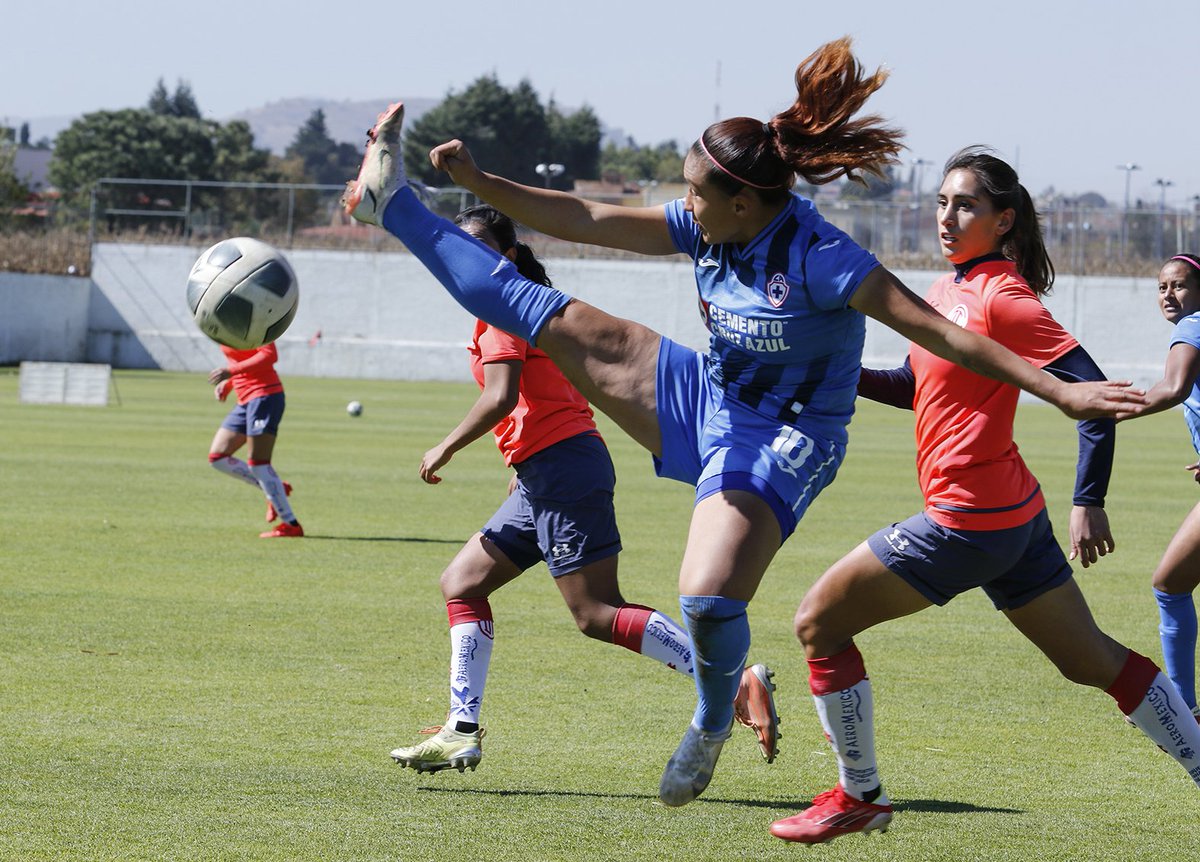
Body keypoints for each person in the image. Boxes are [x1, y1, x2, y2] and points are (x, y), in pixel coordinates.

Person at [341, 38, 1141, 807]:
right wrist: (482, 181)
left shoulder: (824, 257)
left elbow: (944, 335)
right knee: (531, 307)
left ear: (743, 202)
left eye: (696, 193)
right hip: (705, 394)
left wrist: (1061, 393)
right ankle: (395, 204)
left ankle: (712, 716)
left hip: (788, 436)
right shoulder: (707, 221)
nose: (684, 205)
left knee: (705, 598)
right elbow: (584, 214)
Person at [766, 148, 1200, 845]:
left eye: (965, 204)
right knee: (1092, 661)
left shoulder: (1004, 297)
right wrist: (832, 376)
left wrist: (1089, 499)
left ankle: (860, 795)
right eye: (941, 202)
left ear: (1003, 220)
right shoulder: (944, 290)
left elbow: (1092, 397)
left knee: (819, 622)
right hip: (1011, 517)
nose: (947, 216)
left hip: (968, 519)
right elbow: (913, 387)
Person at [389, 204, 780, 773]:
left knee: (597, 612)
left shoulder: (502, 312)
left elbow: (501, 395)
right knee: (463, 582)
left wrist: (445, 446)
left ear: (508, 256)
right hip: (546, 473)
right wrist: (524, 462)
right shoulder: (522, 305)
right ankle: (462, 728)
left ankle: (734, 679)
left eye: (478, 248)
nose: (465, 259)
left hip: (563, 470)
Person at [1125, 252, 1200, 721]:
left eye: (1179, 285)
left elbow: (1174, 387)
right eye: (1161, 287)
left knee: (1170, 585)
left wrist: (1109, 409)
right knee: (1171, 584)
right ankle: (1185, 708)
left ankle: (1183, 710)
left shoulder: (1192, 327)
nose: (1168, 294)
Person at [207, 341, 302, 538]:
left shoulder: (257, 326)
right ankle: (275, 486)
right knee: (218, 457)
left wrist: (231, 372)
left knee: (259, 463)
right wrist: (230, 384)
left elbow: (269, 355)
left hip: (265, 396)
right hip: (245, 399)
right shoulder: (231, 329)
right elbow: (242, 358)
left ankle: (291, 524)